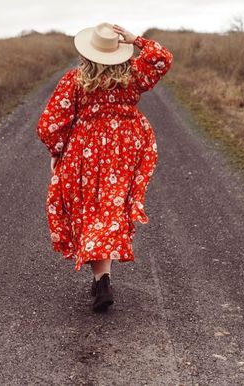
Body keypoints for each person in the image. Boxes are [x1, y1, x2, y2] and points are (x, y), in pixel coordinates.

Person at [36, 22, 174, 312]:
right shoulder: (133, 76)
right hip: (125, 149)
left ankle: (102, 279)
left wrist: (57, 151)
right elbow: (162, 58)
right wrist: (136, 39)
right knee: (109, 210)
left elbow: (50, 124)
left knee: (90, 210)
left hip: (85, 151)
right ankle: (102, 278)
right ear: (119, 52)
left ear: (87, 53)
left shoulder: (75, 80)